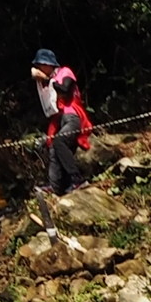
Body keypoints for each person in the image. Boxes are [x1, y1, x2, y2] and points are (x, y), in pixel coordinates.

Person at [32, 47, 92, 199]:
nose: (39, 68)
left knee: (60, 142)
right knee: (53, 148)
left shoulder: (64, 72)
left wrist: (48, 80)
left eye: (41, 65)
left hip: (72, 116)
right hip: (58, 119)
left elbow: (65, 89)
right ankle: (55, 186)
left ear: (48, 64)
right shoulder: (46, 82)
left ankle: (77, 179)